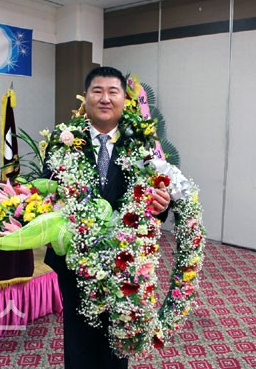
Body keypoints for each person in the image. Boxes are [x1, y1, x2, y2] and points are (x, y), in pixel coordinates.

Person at [42, 66, 171, 368]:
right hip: (75, 257)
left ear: (124, 99)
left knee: (118, 336)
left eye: (113, 92)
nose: (105, 98)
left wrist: (162, 204)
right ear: (85, 97)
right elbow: (48, 192)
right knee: (78, 335)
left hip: (124, 260)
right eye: (97, 91)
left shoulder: (142, 144)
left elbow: (156, 199)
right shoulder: (62, 142)